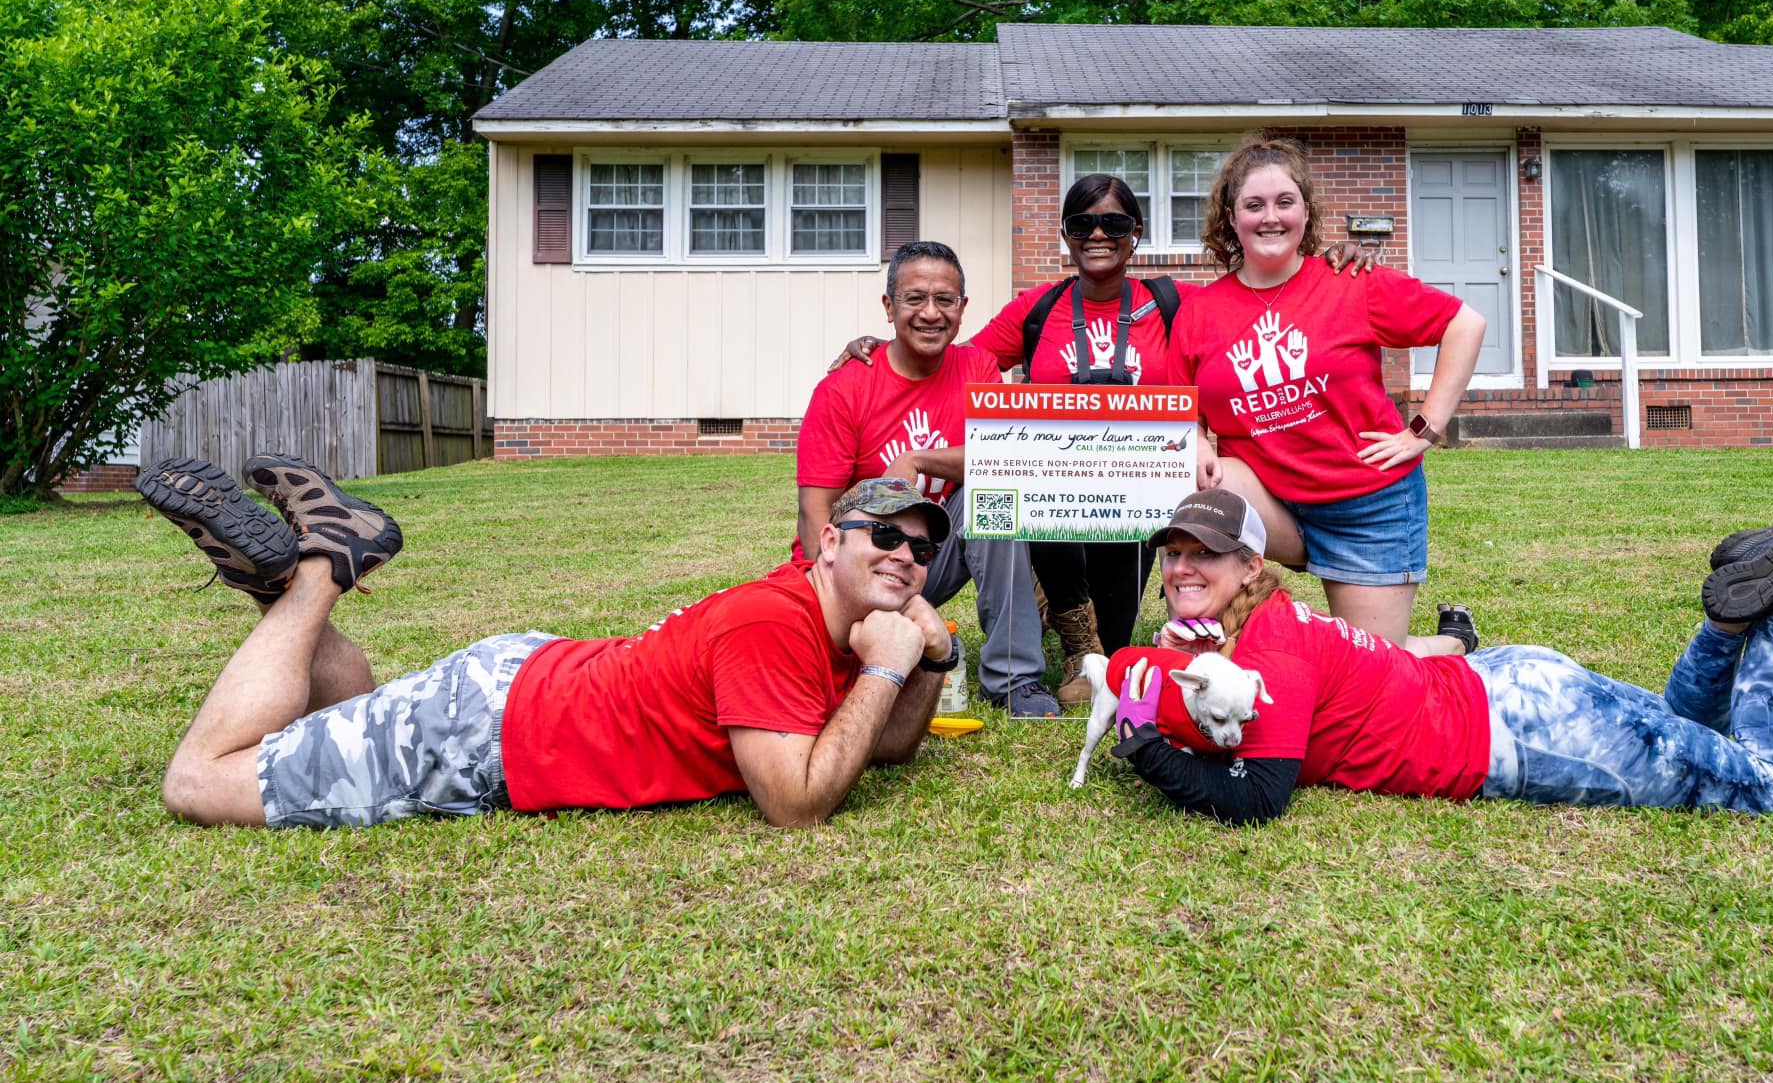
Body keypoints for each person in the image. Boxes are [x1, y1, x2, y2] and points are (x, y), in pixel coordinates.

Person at [137, 454, 959, 830]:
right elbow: (795, 804)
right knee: (198, 782)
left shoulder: (835, 630)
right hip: (490, 736)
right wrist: (890, 661)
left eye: (921, 548)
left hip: (511, 694)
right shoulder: (775, 621)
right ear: (826, 543)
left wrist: (931, 660)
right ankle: (323, 569)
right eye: (881, 532)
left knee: (348, 711)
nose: (903, 554)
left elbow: (876, 748)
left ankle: (282, 592)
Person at [831, 175, 1383, 705]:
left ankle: (1195, 629)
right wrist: (884, 344)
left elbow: (1267, 302)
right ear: (1066, 235)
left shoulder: (1175, 303)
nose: (1098, 235)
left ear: (1135, 232)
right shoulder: (1037, 309)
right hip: (1054, 496)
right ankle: (1067, 623)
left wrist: (1322, 266)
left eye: (1114, 223)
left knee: (1117, 647)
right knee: (1030, 486)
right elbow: (946, 350)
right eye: (1082, 223)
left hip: (1139, 495)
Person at [1100, 491, 1773, 824]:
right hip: (1503, 679)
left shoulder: (1271, 643)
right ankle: (1729, 625)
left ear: (1251, 569)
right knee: (1675, 732)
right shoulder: (1240, 633)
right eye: (1173, 553)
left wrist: (1145, 753)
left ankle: (1770, 603)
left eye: (1207, 554)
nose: (1181, 568)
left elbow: (1259, 794)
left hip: (1520, 733)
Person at [1166, 132, 1488, 653]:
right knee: (1192, 477)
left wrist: (1424, 429)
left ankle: (1451, 644)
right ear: (1232, 218)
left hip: (1366, 506)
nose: (1270, 217)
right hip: (1275, 504)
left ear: (1305, 211)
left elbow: (1465, 324)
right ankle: (1203, 642)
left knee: (1374, 668)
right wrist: (1197, 438)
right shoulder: (1201, 312)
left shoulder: (1351, 282)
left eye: (1284, 202)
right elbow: (1179, 403)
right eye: (1254, 204)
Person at [796, 241, 1052, 716]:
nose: (930, 313)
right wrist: (837, 613)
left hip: (928, 557)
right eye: (914, 299)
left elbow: (1001, 457)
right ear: (889, 307)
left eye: (945, 300)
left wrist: (920, 460)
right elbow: (815, 514)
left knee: (993, 493)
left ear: (963, 308)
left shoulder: (977, 369)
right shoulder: (846, 387)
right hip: (857, 567)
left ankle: (1015, 680)